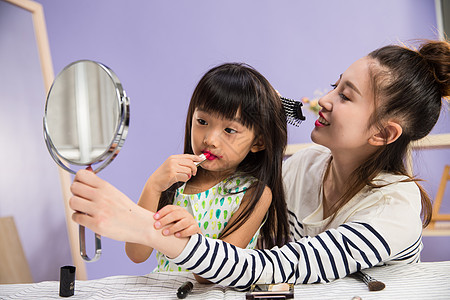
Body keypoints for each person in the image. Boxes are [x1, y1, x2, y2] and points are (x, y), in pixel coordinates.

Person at [69, 39, 450, 289]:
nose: (327, 98)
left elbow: (274, 265)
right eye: (335, 84)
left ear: (383, 135)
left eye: (346, 96)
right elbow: (288, 113)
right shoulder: (304, 167)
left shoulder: (394, 209)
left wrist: (145, 228)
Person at [124, 63, 291, 281]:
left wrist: (194, 239)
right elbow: (136, 254)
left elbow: (211, 275)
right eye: (202, 121)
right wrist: (153, 186)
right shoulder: (176, 181)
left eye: (229, 130)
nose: (209, 139)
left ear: (258, 142)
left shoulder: (253, 193)